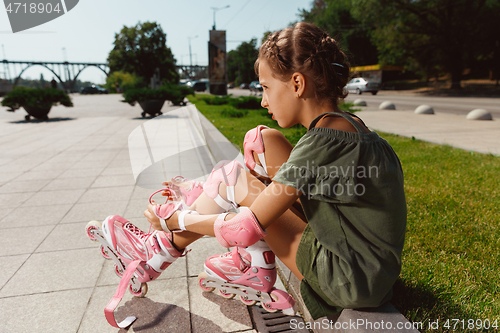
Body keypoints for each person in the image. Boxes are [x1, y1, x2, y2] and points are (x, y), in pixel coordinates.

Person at [139, 22, 407, 319]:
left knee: (234, 179)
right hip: (372, 272)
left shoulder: (321, 143)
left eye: (266, 87)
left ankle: (160, 249)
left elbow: (241, 229)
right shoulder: (353, 128)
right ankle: (205, 237)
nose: (263, 100)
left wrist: (175, 219)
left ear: (297, 84)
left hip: (349, 280)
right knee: (263, 140)